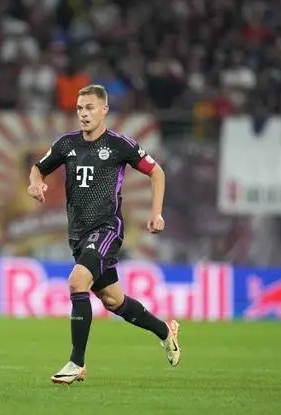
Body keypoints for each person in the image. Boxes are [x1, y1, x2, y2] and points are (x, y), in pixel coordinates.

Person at [27, 84, 181, 385]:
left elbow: (156, 172)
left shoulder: (119, 145)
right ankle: (165, 331)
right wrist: (35, 184)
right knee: (113, 300)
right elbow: (38, 168)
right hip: (78, 234)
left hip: (107, 228)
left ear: (104, 110)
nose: (83, 114)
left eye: (90, 108)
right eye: (79, 108)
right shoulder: (66, 144)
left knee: (77, 281)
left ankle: (76, 363)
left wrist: (156, 212)